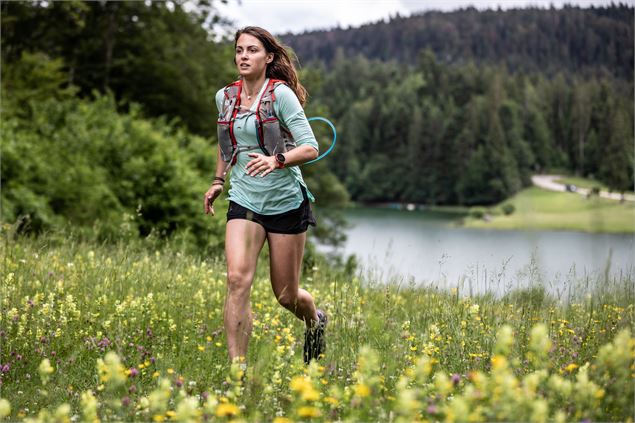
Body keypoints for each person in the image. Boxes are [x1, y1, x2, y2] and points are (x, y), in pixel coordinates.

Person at [204, 26, 327, 366]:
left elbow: (311, 146)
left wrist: (277, 160)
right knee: (236, 280)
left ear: (268, 57)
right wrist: (218, 180)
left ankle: (315, 320)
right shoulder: (225, 97)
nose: (244, 56)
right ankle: (237, 372)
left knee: (286, 296)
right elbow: (226, 139)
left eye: (252, 50)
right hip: (244, 198)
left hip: (286, 201)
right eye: (240, 50)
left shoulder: (281, 95)